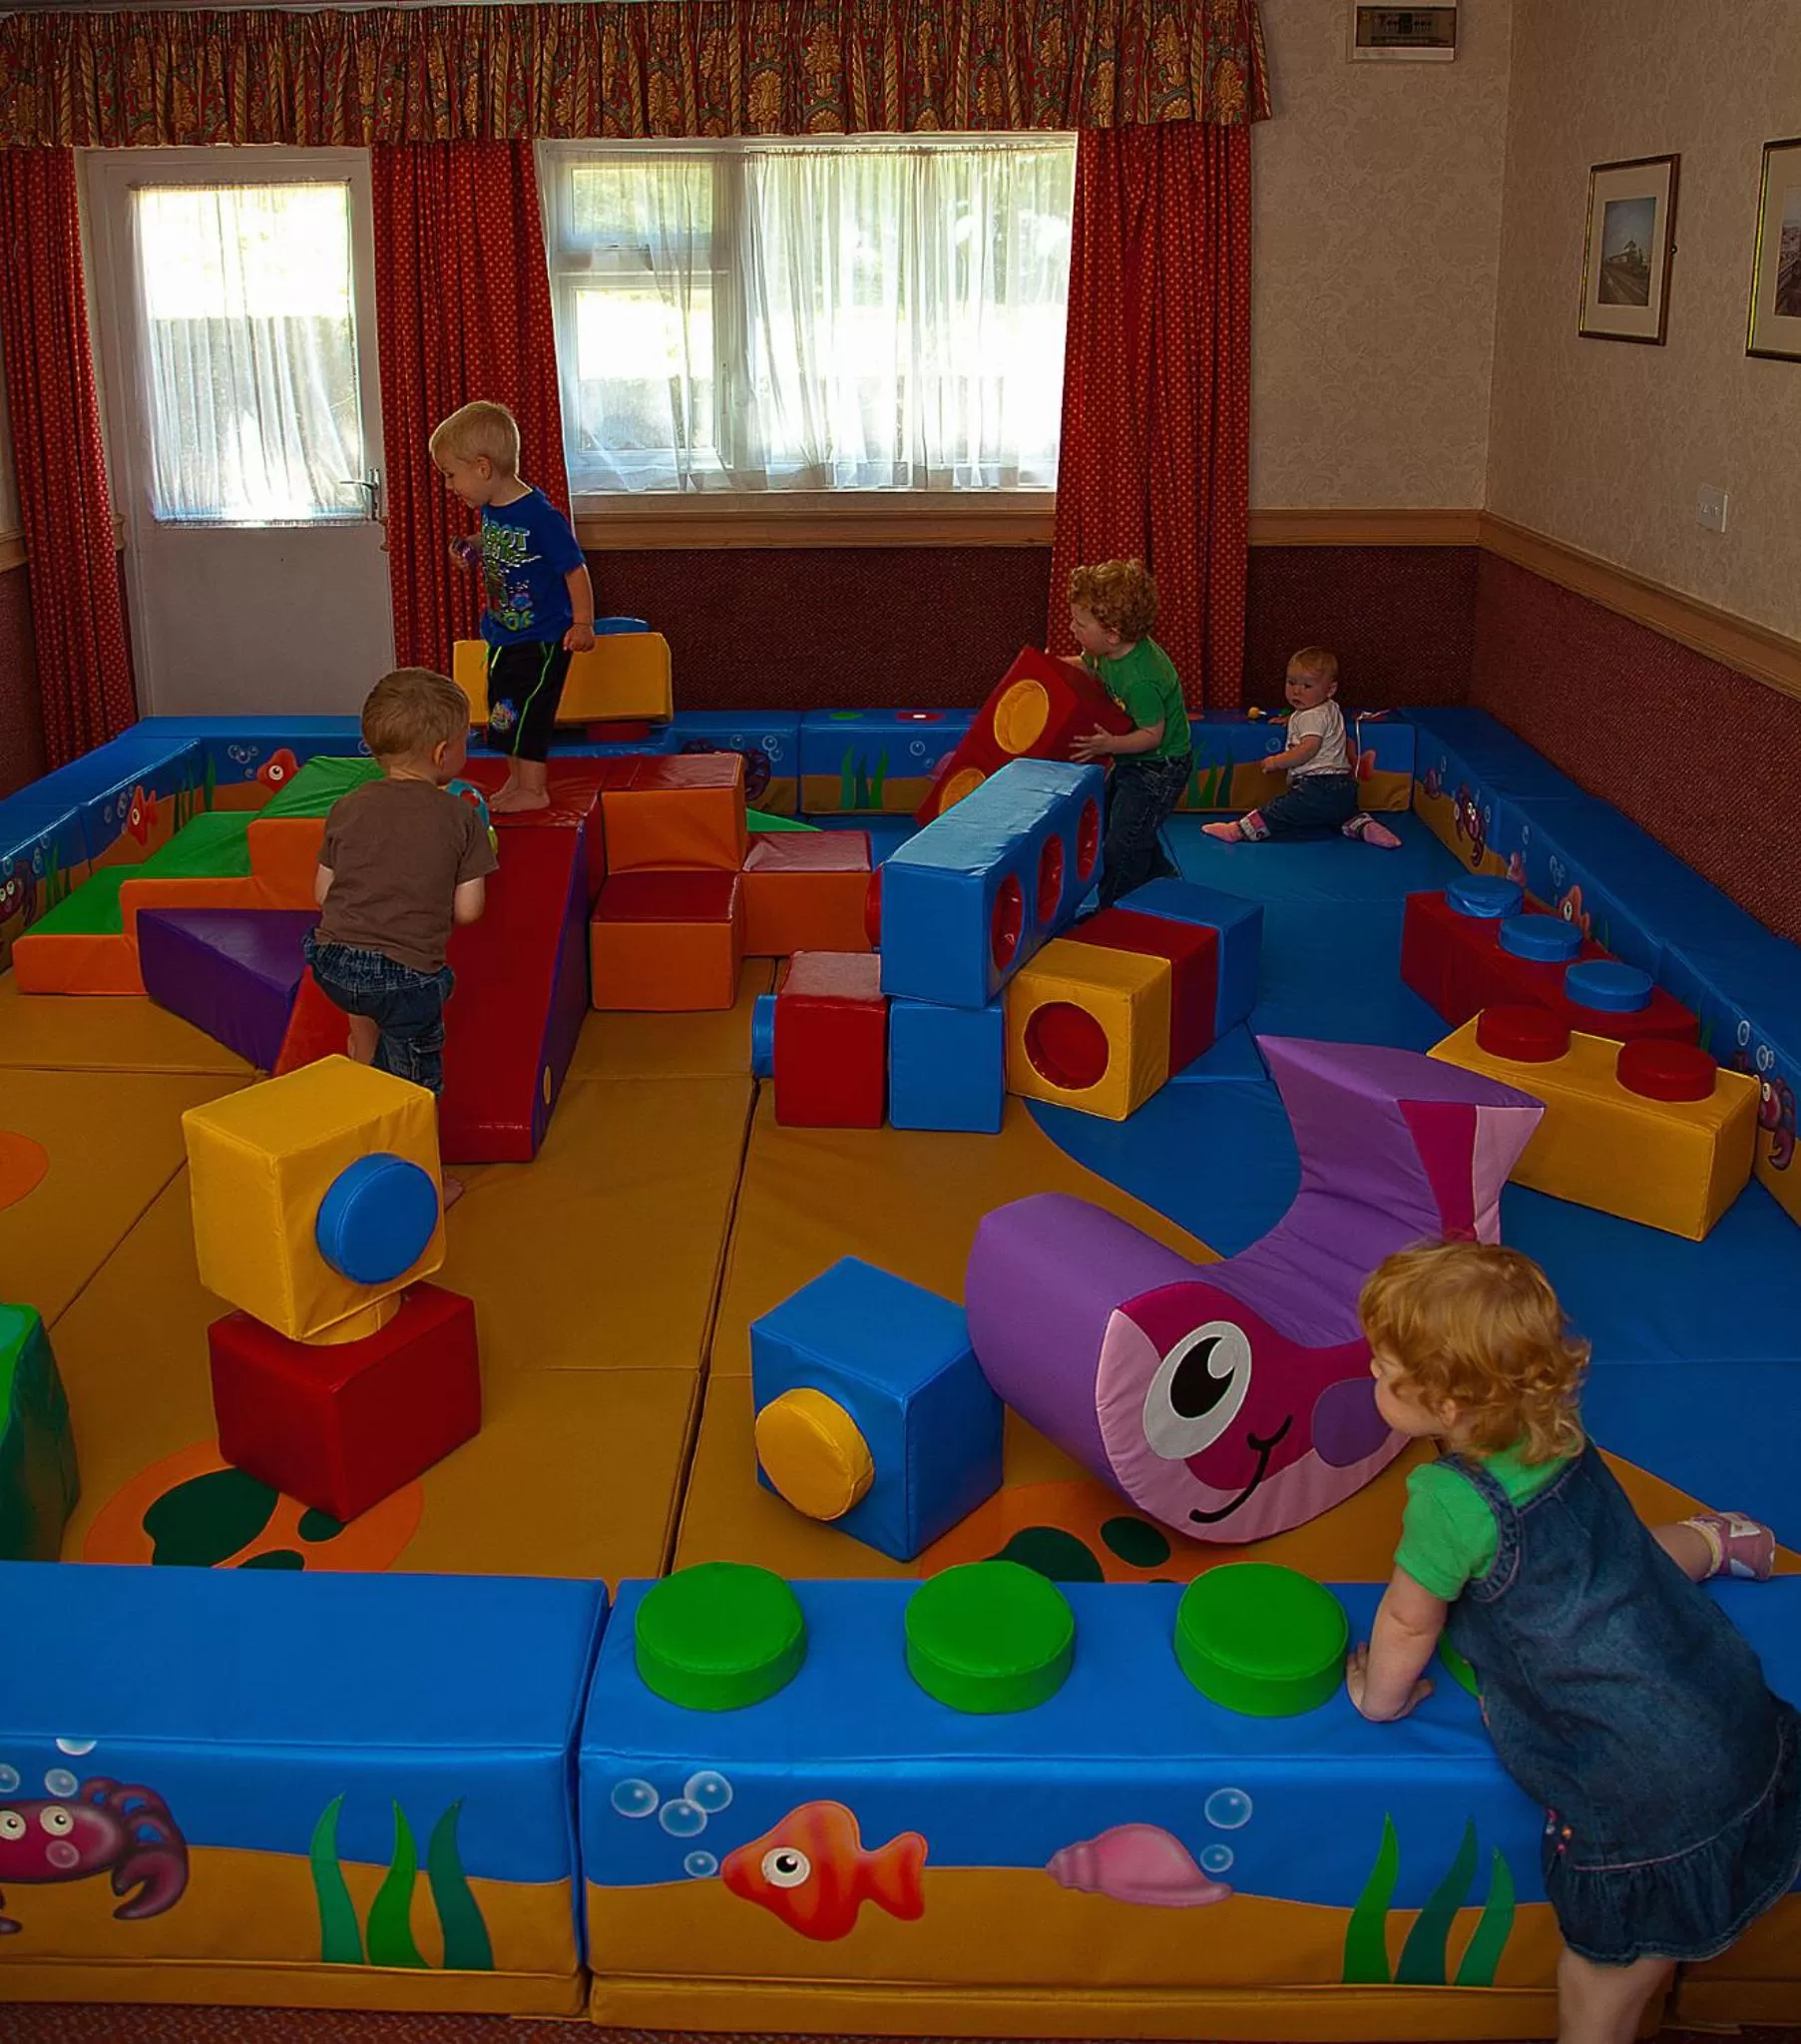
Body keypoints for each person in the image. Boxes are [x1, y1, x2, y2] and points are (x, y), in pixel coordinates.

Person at [1348, 1240, 1797, 2044]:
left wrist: (1379, 1697)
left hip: (1643, 1791)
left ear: (1448, 1407)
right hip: (1734, 1713)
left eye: (1384, 1372)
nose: (1371, 1377)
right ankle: (1714, 1540)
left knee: (1605, 1977)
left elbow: (1408, 1620)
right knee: (1621, 1560)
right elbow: (1611, 1553)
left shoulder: (1451, 1500)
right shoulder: (1550, 1422)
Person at [305, 669, 499, 1199]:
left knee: (364, 1000)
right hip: (405, 977)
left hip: (333, 964)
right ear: (442, 754)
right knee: (415, 1083)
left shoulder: (347, 806)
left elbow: (323, 894)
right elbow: (468, 911)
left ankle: (361, 1057)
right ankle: (423, 1183)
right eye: (465, 742)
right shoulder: (460, 819)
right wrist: (478, 861)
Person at [432, 399, 596, 814]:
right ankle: (516, 780)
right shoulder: (492, 508)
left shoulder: (541, 515)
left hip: (542, 637)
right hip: (503, 632)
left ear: (483, 468)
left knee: (531, 712)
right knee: (502, 709)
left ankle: (534, 788)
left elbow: (574, 569)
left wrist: (583, 623)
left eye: (452, 475)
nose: (450, 486)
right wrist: (471, 545)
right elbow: (497, 541)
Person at [1064, 559, 1194, 910]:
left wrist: (1109, 745)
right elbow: (1084, 667)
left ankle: (1113, 912)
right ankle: (1163, 880)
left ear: (1112, 633)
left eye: (1079, 623)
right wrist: (1052, 666)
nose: (1072, 628)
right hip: (1133, 759)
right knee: (1124, 825)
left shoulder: (1141, 678)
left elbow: (1153, 734)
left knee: (1121, 846)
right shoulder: (1102, 651)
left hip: (1160, 767)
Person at [1202, 646, 1400, 848]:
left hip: (1316, 787)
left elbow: (1309, 748)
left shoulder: (1311, 717)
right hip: (1343, 788)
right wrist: (1292, 720)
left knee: (1277, 811)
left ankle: (1237, 831)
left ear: (1330, 689)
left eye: (1307, 686)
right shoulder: (1329, 707)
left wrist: (1276, 761)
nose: (1296, 690)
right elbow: (1316, 722)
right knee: (1344, 816)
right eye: (1291, 682)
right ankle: (1366, 827)